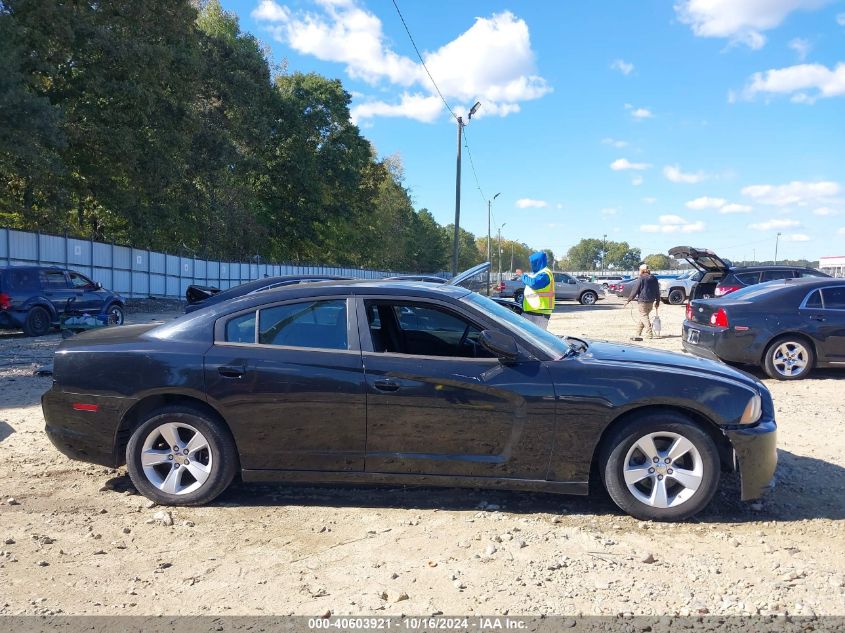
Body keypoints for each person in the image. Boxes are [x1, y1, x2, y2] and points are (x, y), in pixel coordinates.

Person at [625, 263, 660, 341]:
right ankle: (638, 332)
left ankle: (649, 332)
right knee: (643, 316)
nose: (639, 272)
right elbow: (657, 291)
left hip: (642, 301)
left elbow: (635, 290)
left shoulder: (641, 278)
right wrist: (657, 301)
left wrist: (629, 300)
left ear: (642, 271)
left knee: (643, 316)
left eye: (639, 270)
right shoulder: (654, 278)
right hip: (651, 301)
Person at [520, 252, 555, 329]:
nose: (531, 264)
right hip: (532, 312)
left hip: (539, 313)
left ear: (538, 262)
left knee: (536, 338)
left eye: (533, 262)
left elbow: (534, 284)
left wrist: (522, 276)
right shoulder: (537, 274)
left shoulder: (545, 273)